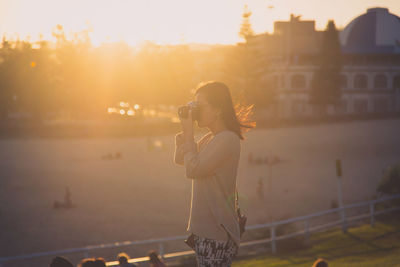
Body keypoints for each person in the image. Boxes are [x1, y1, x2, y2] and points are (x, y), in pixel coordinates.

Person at [174, 81, 255, 267]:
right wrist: (187, 132)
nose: (197, 112)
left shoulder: (227, 139)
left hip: (215, 233)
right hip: (206, 232)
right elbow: (180, 159)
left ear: (218, 110)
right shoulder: (211, 138)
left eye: (200, 107)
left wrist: (188, 135)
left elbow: (192, 169)